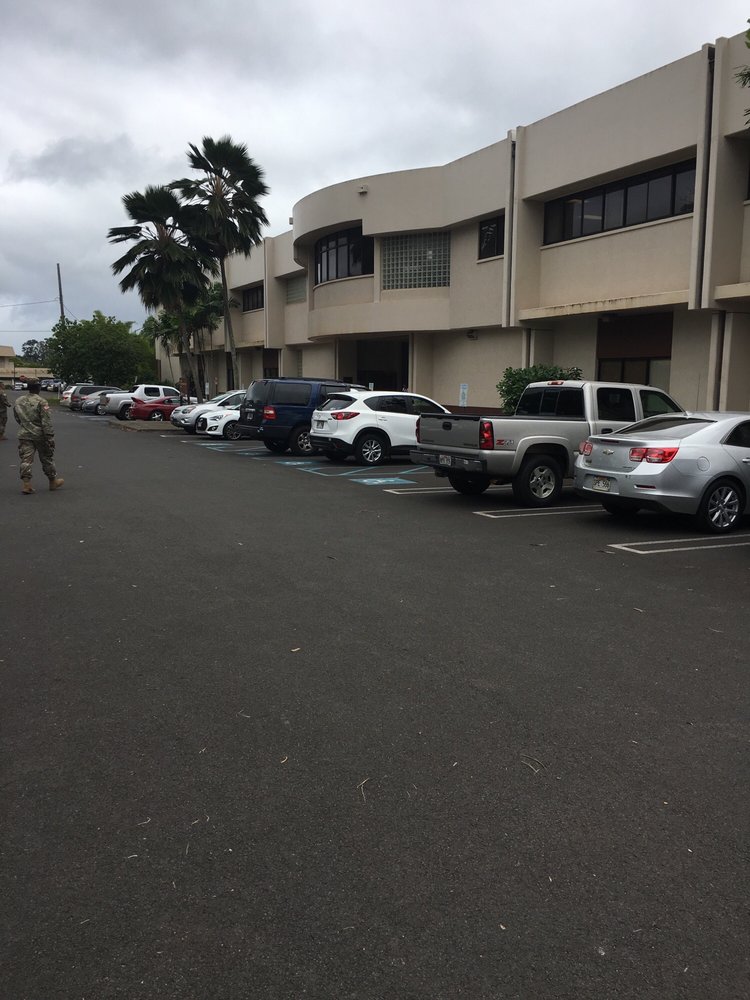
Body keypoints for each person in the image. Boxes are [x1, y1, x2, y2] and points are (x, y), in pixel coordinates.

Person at [13, 380, 64, 495]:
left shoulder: (19, 400)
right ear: (39, 388)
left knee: (26, 460)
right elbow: (46, 422)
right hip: (40, 435)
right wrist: (50, 437)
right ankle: (53, 481)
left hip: (24, 434)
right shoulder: (41, 401)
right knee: (47, 459)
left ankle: (26, 484)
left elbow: (17, 417)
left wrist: (25, 426)